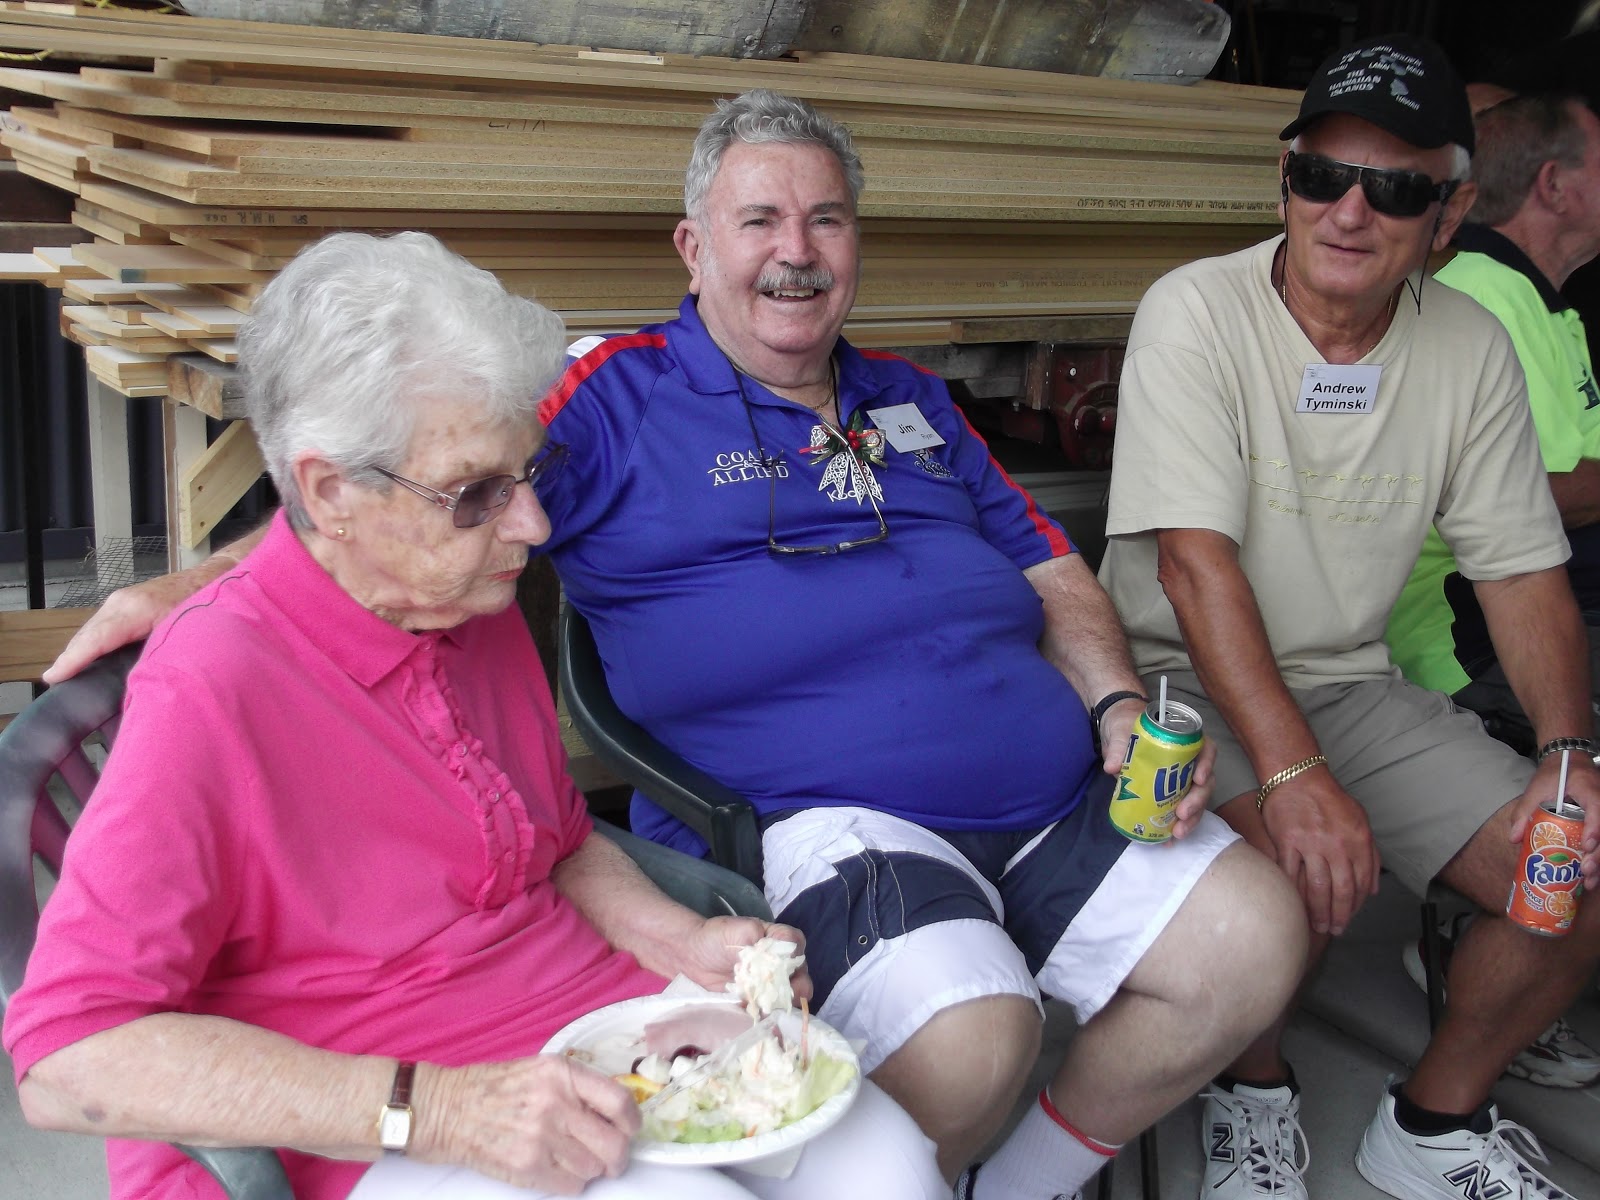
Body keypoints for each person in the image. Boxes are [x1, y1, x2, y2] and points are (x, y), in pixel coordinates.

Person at [41, 91, 1308, 1200]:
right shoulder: (587, 415)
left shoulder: (901, 405)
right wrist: (198, 587)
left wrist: (1105, 707)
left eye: (826, 220)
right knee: (951, 1052)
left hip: (986, 822)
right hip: (788, 847)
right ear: (693, 247)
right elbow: (405, 470)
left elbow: (551, 835)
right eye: (759, 220)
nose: (534, 527)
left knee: (1235, 950)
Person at [2, 231, 947, 1200]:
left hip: (584, 1031)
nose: (532, 525)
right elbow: (67, 1056)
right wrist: (441, 1110)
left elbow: (560, 843)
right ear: (332, 492)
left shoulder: (464, 595)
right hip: (369, 1119)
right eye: (476, 493)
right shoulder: (212, 683)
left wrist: (683, 944)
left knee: (893, 1169)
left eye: (528, 472)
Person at [1098, 33, 1600, 1200]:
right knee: (1290, 883)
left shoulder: (1469, 344)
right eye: (1323, 174)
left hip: (1351, 683)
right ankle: (1252, 1092)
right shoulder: (1196, 309)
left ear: (1450, 211)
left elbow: (1521, 571)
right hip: (1184, 683)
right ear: (1285, 176)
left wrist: (1567, 758)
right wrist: (1293, 778)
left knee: (1570, 879)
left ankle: (1430, 1121)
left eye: (1397, 189)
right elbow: (1193, 568)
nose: (1350, 211)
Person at [1388, 91, 1600, 753]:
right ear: (1554, 185)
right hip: (1481, 642)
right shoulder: (1488, 296)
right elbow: (1539, 494)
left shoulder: (1530, 292)